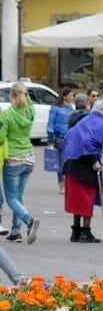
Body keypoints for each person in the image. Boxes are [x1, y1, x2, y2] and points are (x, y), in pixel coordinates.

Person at [61, 99, 103, 243]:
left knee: (77, 199)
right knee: (86, 197)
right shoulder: (99, 122)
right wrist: (95, 161)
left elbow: (70, 137)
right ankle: (85, 232)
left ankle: (76, 231)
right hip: (84, 164)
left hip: (73, 162)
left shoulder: (87, 120)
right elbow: (89, 142)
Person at [0, 82, 40, 244]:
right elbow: (27, 102)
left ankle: (29, 220)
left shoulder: (7, 115)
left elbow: (0, 137)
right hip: (29, 158)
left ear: (11, 95)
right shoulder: (30, 111)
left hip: (14, 160)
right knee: (18, 196)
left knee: (11, 198)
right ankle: (16, 231)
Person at [48, 87, 74, 194]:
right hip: (60, 138)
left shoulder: (71, 108)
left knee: (70, 162)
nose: (72, 97)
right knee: (61, 163)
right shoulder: (55, 108)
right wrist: (50, 138)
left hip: (70, 138)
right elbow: (50, 124)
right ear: (64, 97)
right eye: (71, 95)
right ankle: (62, 185)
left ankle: (68, 184)